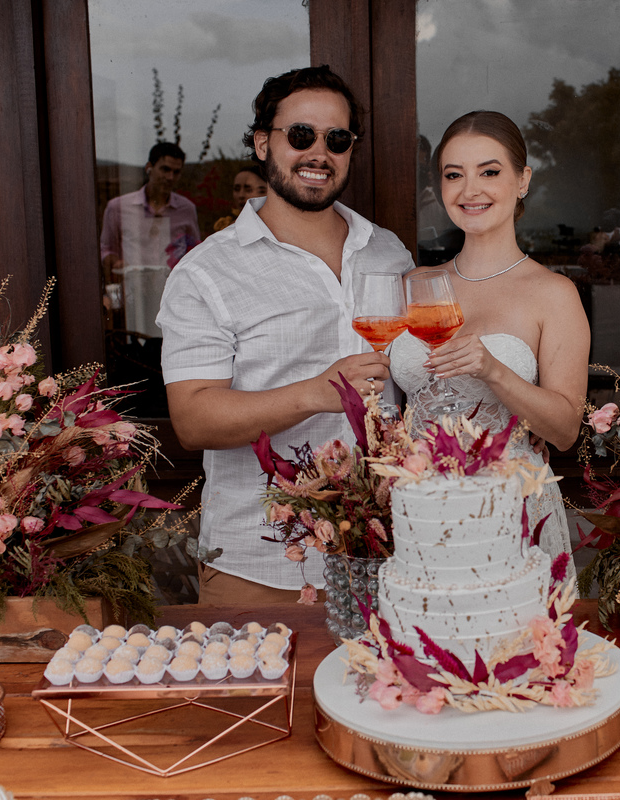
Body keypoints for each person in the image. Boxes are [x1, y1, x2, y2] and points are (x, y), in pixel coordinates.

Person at [157, 65, 412, 605]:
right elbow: (193, 417)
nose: (319, 152)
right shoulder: (207, 272)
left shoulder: (388, 251)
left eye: (336, 139)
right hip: (260, 562)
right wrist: (315, 393)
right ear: (260, 143)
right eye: (301, 135)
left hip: (387, 556)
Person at [391, 111, 590, 566]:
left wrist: (494, 371)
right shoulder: (417, 284)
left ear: (522, 180)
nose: (470, 190)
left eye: (490, 172)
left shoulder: (554, 294)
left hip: (512, 509)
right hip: (417, 507)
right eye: (453, 175)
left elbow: (562, 431)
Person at [99, 141, 200, 280]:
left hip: (171, 290)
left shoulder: (187, 209)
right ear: (149, 168)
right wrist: (113, 261)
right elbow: (106, 248)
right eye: (165, 169)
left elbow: (195, 253)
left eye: (176, 172)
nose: (170, 177)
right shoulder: (118, 207)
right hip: (134, 291)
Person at [212, 166, 268, 232]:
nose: (241, 195)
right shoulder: (227, 229)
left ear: (265, 192)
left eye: (248, 190)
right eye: (236, 189)